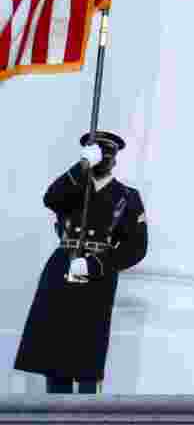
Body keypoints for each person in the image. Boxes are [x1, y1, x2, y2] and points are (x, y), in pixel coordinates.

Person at [14, 131, 148, 394]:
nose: (104, 157)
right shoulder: (74, 186)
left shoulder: (128, 196)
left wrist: (95, 265)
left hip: (97, 275)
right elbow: (50, 198)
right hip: (62, 267)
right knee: (54, 351)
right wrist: (82, 166)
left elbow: (136, 247)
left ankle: (86, 415)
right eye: (98, 151)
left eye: (108, 152)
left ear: (116, 158)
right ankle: (56, 413)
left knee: (88, 352)